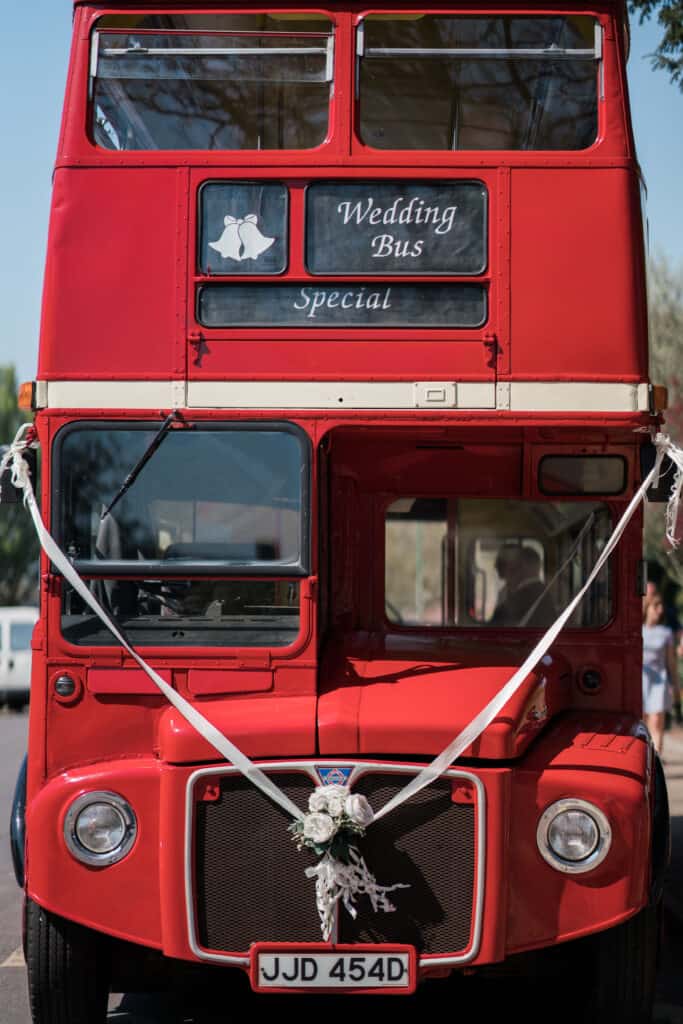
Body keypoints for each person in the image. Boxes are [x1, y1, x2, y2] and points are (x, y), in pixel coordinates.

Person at [642, 590, 679, 756]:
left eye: (661, 606)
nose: (660, 609)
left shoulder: (666, 633)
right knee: (642, 722)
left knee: (656, 721)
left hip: (659, 681)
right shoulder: (637, 630)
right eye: (656, 606)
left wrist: (676, 685)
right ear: (647, 608)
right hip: (640, 681)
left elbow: (671, 662)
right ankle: (643, 758)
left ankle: (657, 761)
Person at [491, 544, 556, 627]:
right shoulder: (546, 592)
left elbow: (495, 624)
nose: (509, 571)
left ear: (523, 566)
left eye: (513, 566)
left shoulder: (520, 598)